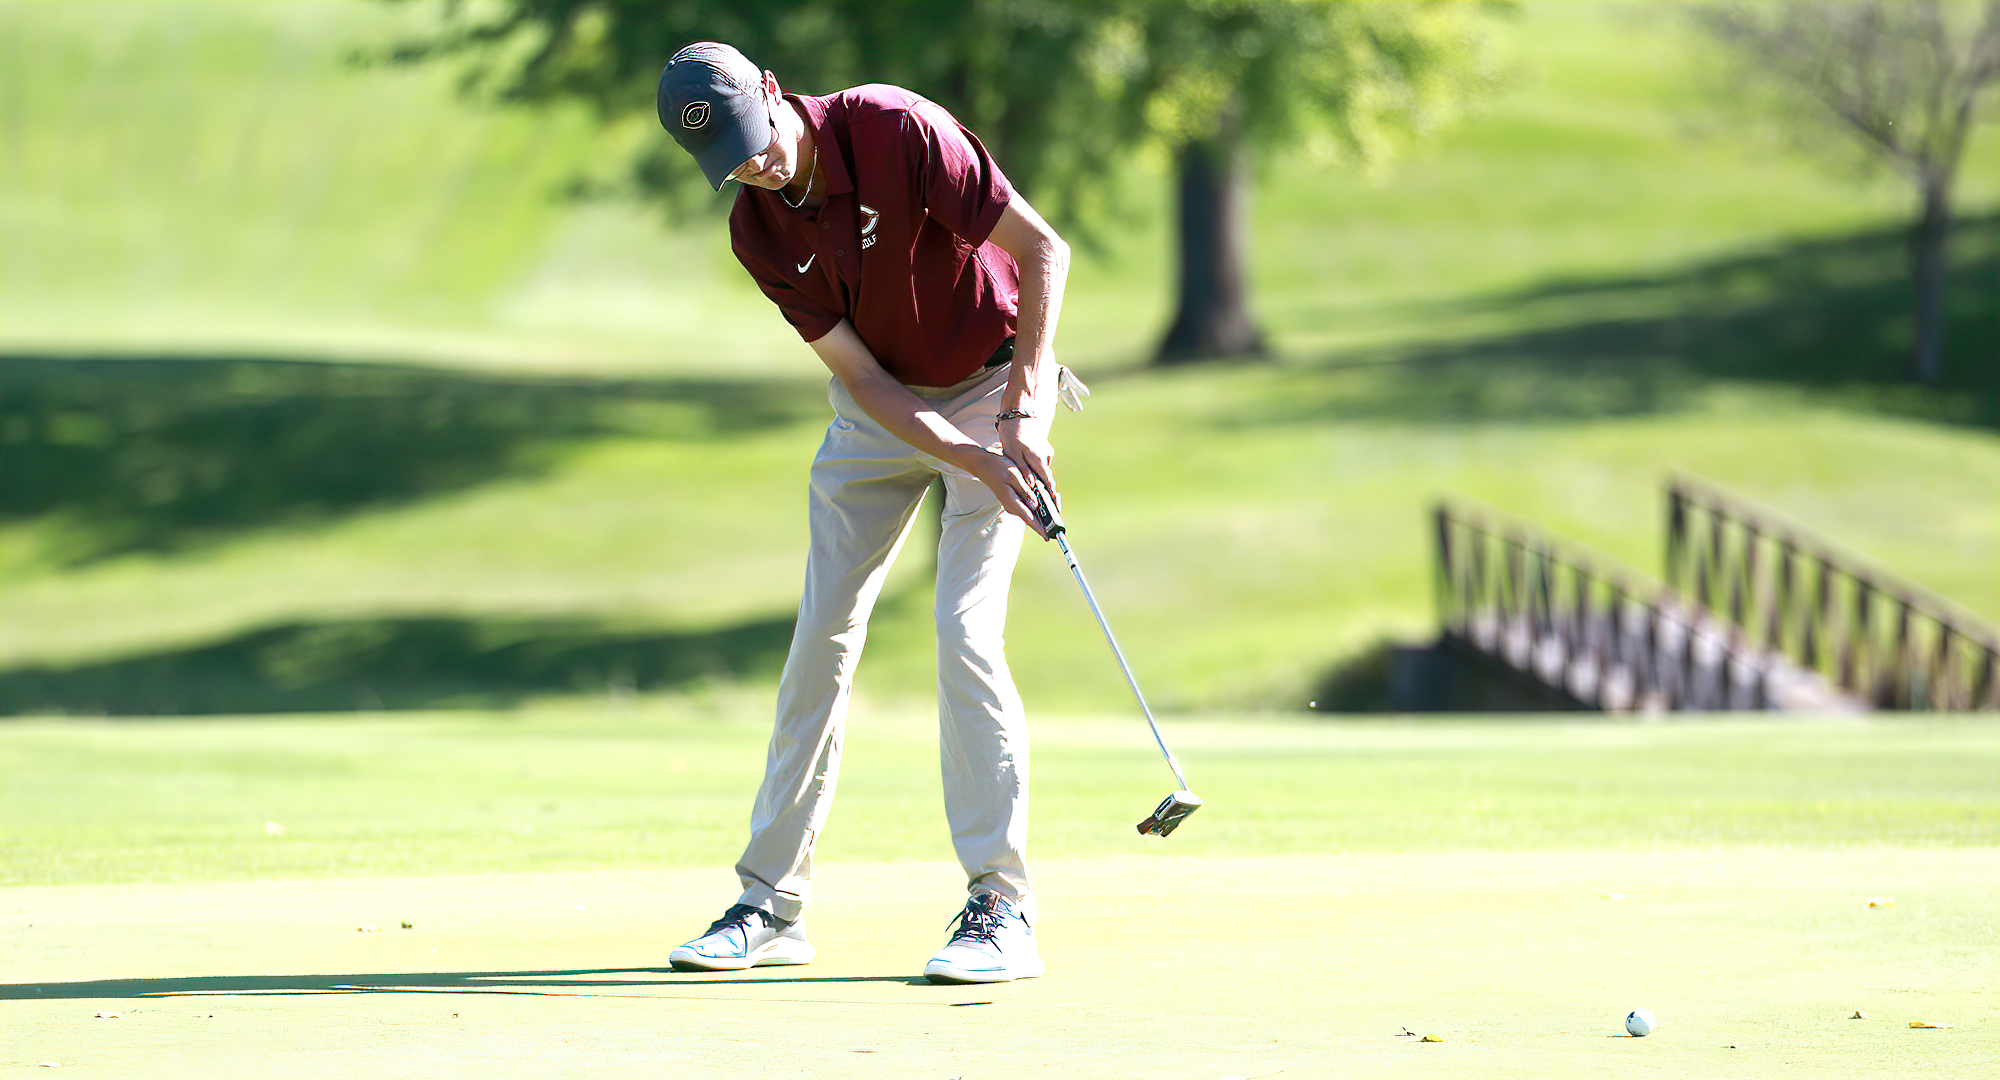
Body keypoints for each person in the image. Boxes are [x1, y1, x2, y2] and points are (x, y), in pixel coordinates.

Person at [653, 42, 1081, 984]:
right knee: (821, 641)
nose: (754, 166)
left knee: (965, 628)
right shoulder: (757, 232)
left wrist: (1019, 415)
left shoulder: (895, 127)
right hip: (885, 412)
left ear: (774, 91)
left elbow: (1043, 250)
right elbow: (864, 380)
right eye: (729, 160)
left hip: (993, 381)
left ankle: (1001, 905)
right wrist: (956, 451)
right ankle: (770, 904)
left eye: (754, 139)